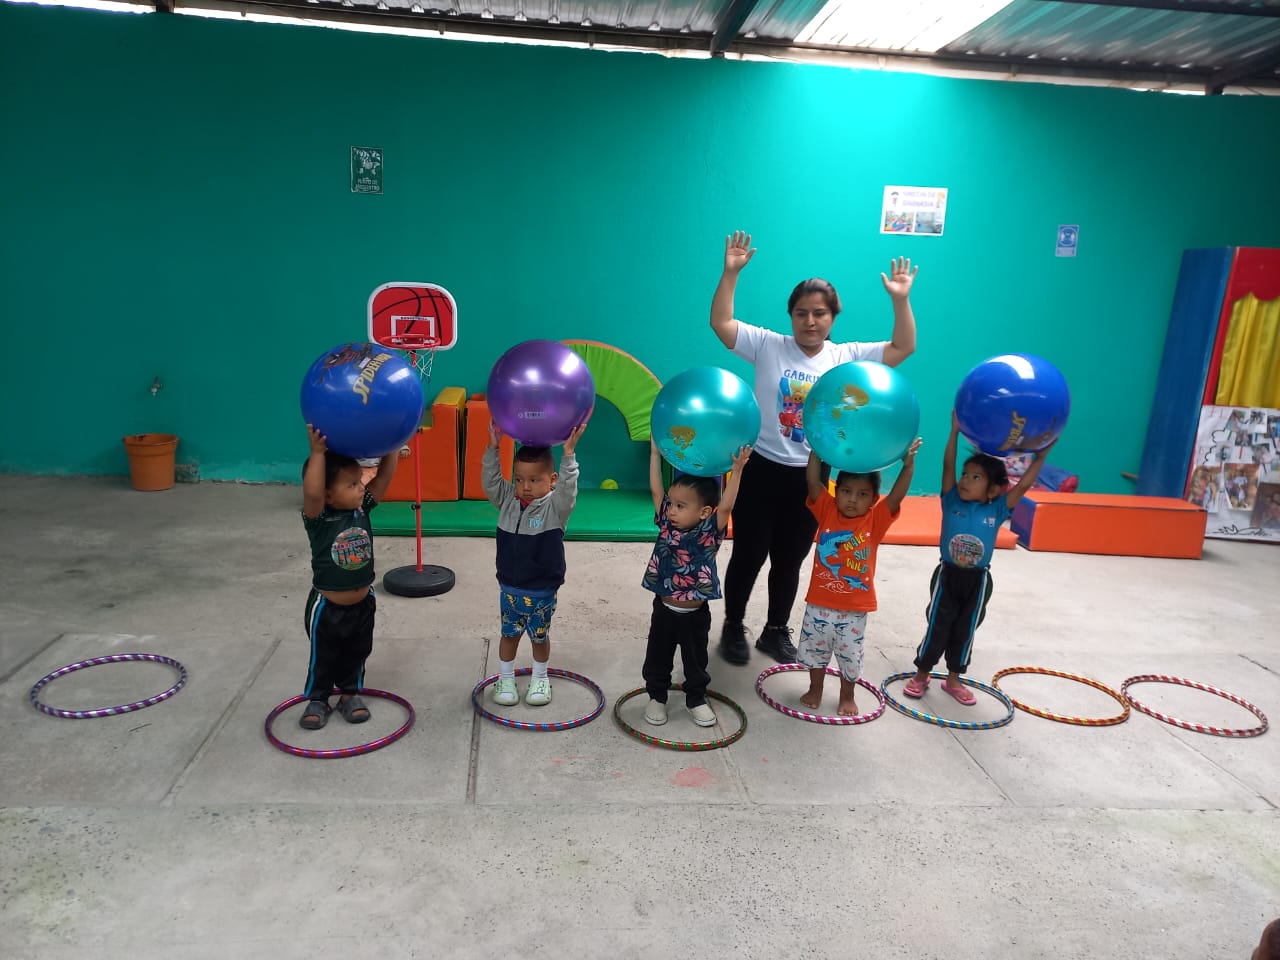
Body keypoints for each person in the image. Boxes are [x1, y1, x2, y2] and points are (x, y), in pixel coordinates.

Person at [709, 229, 919, 667]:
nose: (810, 321)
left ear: (832, 317)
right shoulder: (768, 345)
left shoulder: (846, 357)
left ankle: (775, 630)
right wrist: (731, 273)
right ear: (790, 315)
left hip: (810, 478)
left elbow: (903, 347)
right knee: (749, 554)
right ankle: (732, 625)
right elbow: (722, 324)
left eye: (820, 313)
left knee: (790, 560)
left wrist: (900, 300)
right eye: (801, 313)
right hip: (761, 468)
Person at [904, 413, 1055, 704]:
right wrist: (954, 432)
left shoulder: (997, 509)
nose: (965, 480)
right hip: (948, 575)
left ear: (994, 490)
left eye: (976, 477)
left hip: (978, 580)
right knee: (938, 625)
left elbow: (1023, 485)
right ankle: (921, 675)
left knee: (965, 629)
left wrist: (1041, 457)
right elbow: (948, 465)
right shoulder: (951, 500)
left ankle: (953, 680)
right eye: (965, 474)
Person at [798, 439, 920, 716]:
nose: (852, 499)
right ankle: (815, 689)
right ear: (836, 492)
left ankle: (847, 695)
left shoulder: (875, 520)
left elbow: (896, 497)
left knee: (849, 656)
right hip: (819, 603)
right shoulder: (827, 509)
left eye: (862, 494)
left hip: (853, 610)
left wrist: (908, 466)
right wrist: (816, 449)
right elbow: (813, 482)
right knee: (816, 652)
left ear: (873, 499)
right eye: (846, 491)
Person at [641, 441, 751, 728]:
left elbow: (727, 505)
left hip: (695, 615)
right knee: (657, 657)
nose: (672, 510)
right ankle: (657, 697)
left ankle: (696, 699)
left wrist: (737, 470)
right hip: (664, 610)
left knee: (695, 660)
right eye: (671, 504)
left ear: (704, 512)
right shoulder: (666, 524)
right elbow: (656, 490)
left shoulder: (709, 531)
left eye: (680, 506)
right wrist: (654, 454)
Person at [299, 425, 401, 730]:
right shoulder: (319, 518)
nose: (361, 488)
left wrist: (392, 446)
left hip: (363, 602)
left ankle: (348, 694)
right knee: (325, 655)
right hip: (327, 605)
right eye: (352, 484)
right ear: (329, 495)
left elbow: (383, 479)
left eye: (360, 482)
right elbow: (312, 492)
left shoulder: (361, 509)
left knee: (358, 651)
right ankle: (319, 699)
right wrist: (317, 453)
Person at [482, 420, 587, 707]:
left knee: (539, 638)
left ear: (551, 480)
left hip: (542, 590)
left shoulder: (556, 508)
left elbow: (568, 488)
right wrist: (493, 448)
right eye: (519, 479)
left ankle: (540, 677)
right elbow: (491, 482)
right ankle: (506, 678)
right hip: (510, 587)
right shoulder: (508, 500)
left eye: (534, 480)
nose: (525, 487)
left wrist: (569, 455)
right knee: (508, 635)